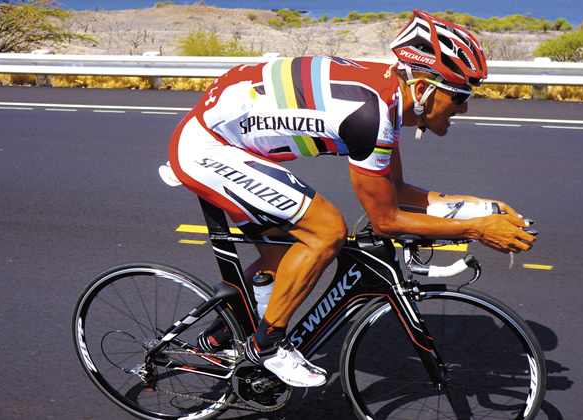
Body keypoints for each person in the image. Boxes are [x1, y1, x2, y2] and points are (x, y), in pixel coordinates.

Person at [167, 10, 535, 388]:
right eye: (460, 95)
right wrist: (477, 229)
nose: (464, 107)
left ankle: (217, 338)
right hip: (208, 149)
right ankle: (268, 346)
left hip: (228, 135)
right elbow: (386, 221)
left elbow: (396, 190)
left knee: (285, 261)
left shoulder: (387, 95)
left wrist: (482, 209)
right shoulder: (370, 116)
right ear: (425, 89)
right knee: (327, 230)